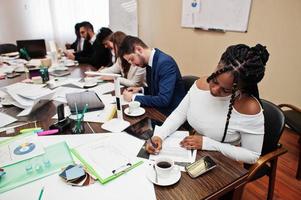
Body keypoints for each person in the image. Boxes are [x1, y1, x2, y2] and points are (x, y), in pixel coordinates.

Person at [146, 44, 270, 164]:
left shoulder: (248, 108)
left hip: (225, 162)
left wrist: (207, 144)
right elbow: (179, 114)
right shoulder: (200, 85)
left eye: (226, 90)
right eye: (214, 80)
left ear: (242, 88)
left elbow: (252, 155)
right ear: (217, 66)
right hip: (193, 152)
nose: (215, 90)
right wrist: (159, 135)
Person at [120, 36, 185, 116]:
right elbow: (156, 90)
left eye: (132, 59)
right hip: (159, 109)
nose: (132, 65)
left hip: (171, 113)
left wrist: (133, 98)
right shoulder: (150, 62)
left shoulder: (165, 63)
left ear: (139, 50)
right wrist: (141, 90)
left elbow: (163, 100)